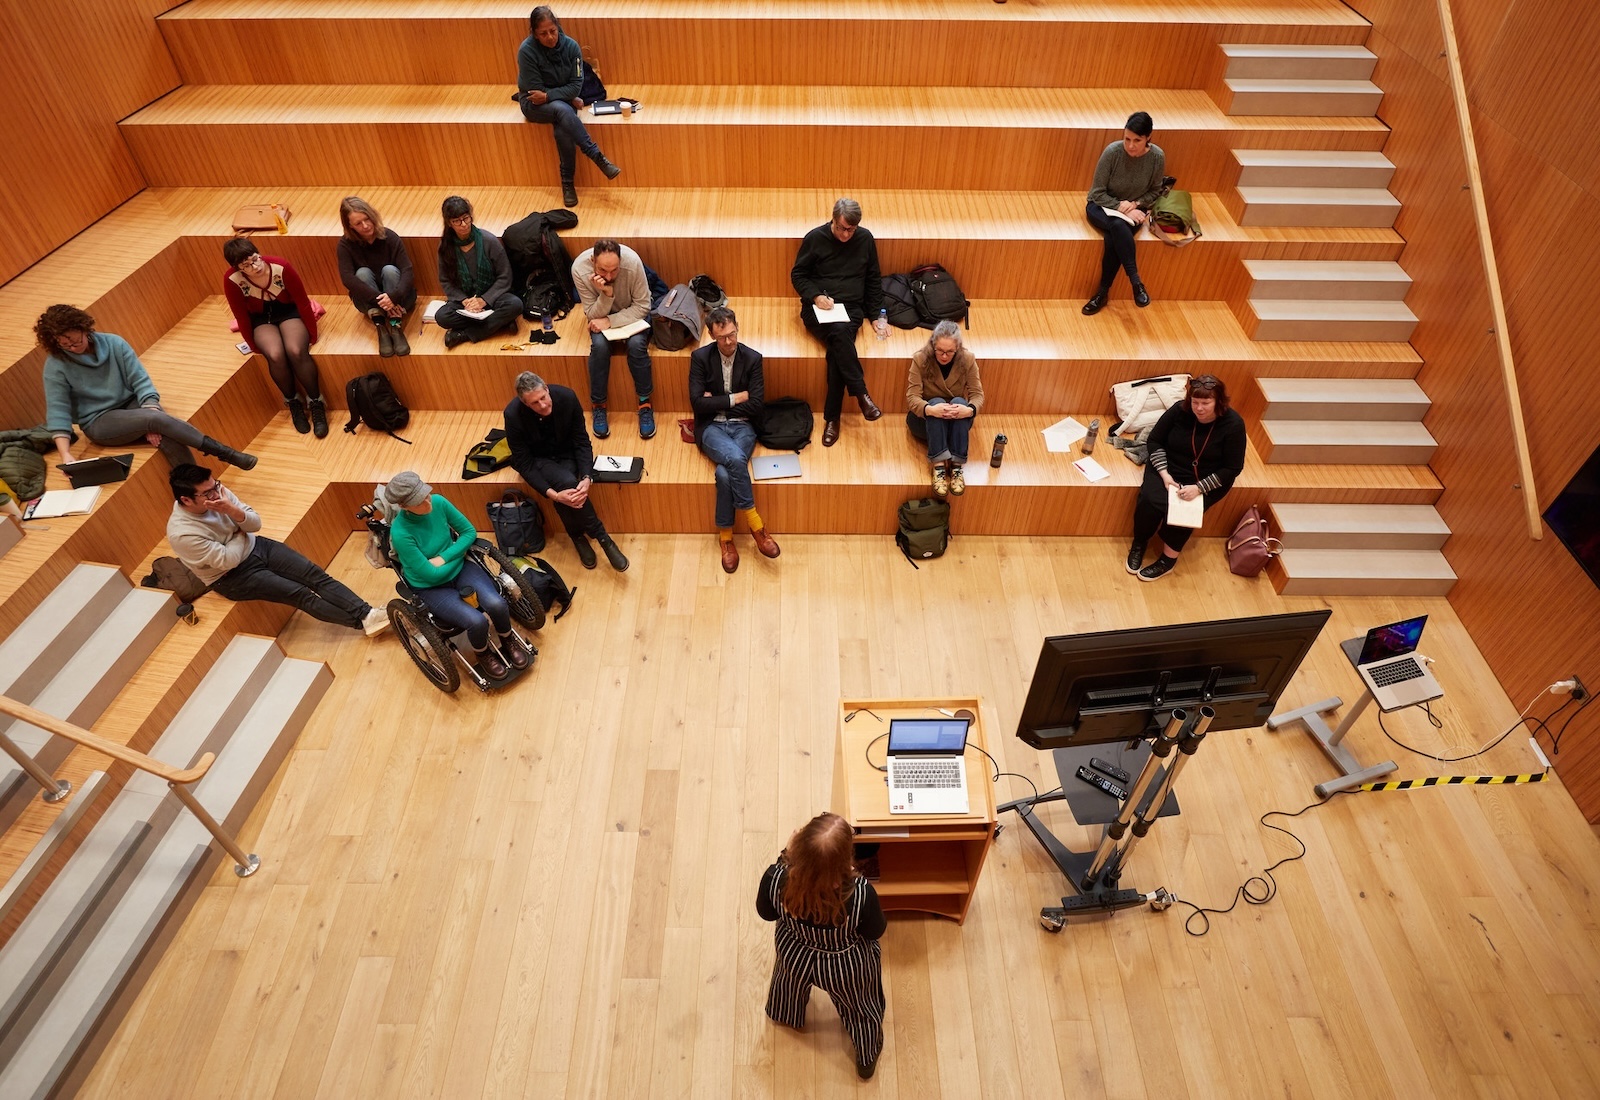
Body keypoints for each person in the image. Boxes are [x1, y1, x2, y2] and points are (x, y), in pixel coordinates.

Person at [167, 464, 388, 635]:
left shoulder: (220, 495)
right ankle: (361, 623)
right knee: (301, 594)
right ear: (186, 499)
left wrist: (233, 512)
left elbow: (254, 524)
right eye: (208, 493)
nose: (216, 494)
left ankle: (367, 613)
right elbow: (229, 560)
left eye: (215, 486)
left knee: (315, 575)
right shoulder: (182, 533)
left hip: (256, 546)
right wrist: (239, 530)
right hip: (231, 577)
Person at [35, 304, 257, 471]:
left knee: (168, 435)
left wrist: (150, 411)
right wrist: (65, 455)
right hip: (100, 421)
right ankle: (225, 453)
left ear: (85, 329)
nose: (73, 348)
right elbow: (58, 411)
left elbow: (141, 382)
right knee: (158, 420)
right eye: (65, 345)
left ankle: (196, 490)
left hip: (132, 405)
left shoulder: (114, 343)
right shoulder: (56, 365)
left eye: (76, 341)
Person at [758, 811, 886, 1081]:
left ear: (797, 847)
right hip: (845, 965)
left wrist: (785, 855)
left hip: (794, 950)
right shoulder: (861, 894)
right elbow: (875, 931)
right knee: (861, 1004)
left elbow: (766, 913)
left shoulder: (776, 878)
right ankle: (865, 1054)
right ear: (845, 864)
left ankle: (785, 1011)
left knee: (787, 982)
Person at [382, 471, 528, 679]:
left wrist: (444, 558)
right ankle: (483, 653)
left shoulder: (439, 502)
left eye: (425, 493)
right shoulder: (401, 533)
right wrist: (459, 554)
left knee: (497, 604)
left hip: (459, 568)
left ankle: (507, 638)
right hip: (431, 587)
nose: (427, 500)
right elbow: (431, 575)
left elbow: (469, 532)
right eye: (419, 501)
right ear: (404, 507)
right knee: (477, 622)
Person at [503, 371, 630, 572]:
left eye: (543, 397)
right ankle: (603, 538)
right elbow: (525, 463)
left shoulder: (567, 397)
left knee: (568, 484)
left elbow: (581, 441)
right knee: (566, 483)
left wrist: (587, 477)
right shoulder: (513, 415)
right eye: (535, 403)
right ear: (525, 403)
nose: (542, 405)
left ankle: (577, 536)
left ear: (546, 388)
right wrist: (552, 494)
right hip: (540, 460)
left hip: (566, 453)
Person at [1126, 374, 1246, 581]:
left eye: (1205, 403)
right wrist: (1164, 474)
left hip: (1209, 478)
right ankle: (1140, 542)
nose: (1199, 408)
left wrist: (1198, 488)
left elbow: (1232, 468)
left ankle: (1168, 560)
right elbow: (1154, 441)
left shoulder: (1234, 424)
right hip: (1169, 467)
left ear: (1218, 402)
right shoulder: (1179, 410)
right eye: (1195, 402)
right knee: (1148, 500)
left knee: (1184, 512)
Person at [689, 307, 781, 573]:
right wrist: (735, 398)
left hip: (743, 427)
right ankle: (756, 525)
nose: (729, 342)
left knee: (725, 473)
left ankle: (726, 538)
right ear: (711, 335)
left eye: (732, 334)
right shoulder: (700, 358)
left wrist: (716, 403)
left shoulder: (753, 359)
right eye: (722, 338)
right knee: (734, 459)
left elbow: (755, 405)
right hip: (711, 429)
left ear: (737, 328)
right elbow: (696, 403)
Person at [790, 198, 887, 447]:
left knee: (838, 346)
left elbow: (874, 279)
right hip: (819, 307)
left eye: (851, 230)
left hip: (851, 309)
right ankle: (861, 394)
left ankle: (833, 419)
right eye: (842, 228)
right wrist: (816, 295)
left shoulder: (865, 239)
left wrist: (875, 315)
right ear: (833, 220)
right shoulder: (815, 238)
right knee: (840, 337)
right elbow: (798, 275)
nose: (846, 234)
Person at [222, 238, 330, 437]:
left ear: (259, 253)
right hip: (261, 319)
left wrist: (312, 334)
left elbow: (302, 301)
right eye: (246, 265)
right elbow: (241, 316)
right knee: (275, 354)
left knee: (296, 350)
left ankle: (316, 402)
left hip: (289, 312)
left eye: (255, 259)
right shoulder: (232, 280)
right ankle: (293, 402)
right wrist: (252, 344)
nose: (254, 266)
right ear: (237, 268)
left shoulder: (281, 267)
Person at [516, 5, 621, 209]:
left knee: (563, 126)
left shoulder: (572, 47)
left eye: (552, 31)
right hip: (532, 104)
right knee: (562, 109)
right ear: (534, 34)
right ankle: (596, 156)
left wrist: (557, 95)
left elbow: (576, 86)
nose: (550, 37)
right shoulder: (526, 51)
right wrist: (565, 96)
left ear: (558, 26)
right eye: (543, 33)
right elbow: (535, 93)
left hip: (559, 100)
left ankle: (567, 183)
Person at [1082, 111, 1166, 316]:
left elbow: (1155, 191)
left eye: (1137, 140)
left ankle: (1102, 294)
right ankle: (1136, 283)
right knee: (1118, 227)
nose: (1130, 145)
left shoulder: (1156, 157)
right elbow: (1096, 193)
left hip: (1133, 212)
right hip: (1101, 207)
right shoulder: (1112, 152)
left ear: (1148, 138)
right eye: (1127, 138)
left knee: (1114, 237)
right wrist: (1119, 206)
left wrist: (1137, 204)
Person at [572, 239, 655, 440]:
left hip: (632, 316)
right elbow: (591, 313)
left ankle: (645, 403)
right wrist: (607, 295)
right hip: (600, 318)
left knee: (636, 346)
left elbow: (643, 306)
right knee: (599, 347)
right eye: (603, 270)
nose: (609, 276)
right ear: (593, 261)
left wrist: (611, 320)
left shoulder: (633, 262)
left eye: (615, 271)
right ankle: (598, 405)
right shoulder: (579, 269)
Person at [906, 320, 984, 499]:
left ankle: (956, 466)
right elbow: (912, 398)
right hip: (926, 420)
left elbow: (977, 395)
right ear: (933, 345)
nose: (943, 356)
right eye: (940, 350)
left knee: (959, 401)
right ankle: (939, 466)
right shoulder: (920, 359)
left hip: (956, 421)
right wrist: (930, 410)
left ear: (957, 348)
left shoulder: (968, 359)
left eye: (949, 352)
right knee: (935, 401)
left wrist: (970, 410)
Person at [435, 195, 524, 349]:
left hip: (492, 298)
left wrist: (484, 300)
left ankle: (464, 334)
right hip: (466, 302)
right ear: (449, 223)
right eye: (457, 221)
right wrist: (465, 301)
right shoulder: (445, 248)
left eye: (466, 218)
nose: (463, 224)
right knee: (442, 317)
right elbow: (446, 281)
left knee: (515, 305)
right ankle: (499, 324)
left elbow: (505, 276)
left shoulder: (488, 241)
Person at [336, 196, 415, 358]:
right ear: (350, 226)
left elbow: (407, 270)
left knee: (390, 270)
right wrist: (380, 299)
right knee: (361, 274)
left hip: (397, 297)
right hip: (369, 300)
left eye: (367, 219)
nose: (365, 226)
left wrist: (393, 296)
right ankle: (380, 326)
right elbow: (347, 278)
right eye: (358, 223)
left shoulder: (389, 237)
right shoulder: (345, 245)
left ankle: (395, 325)